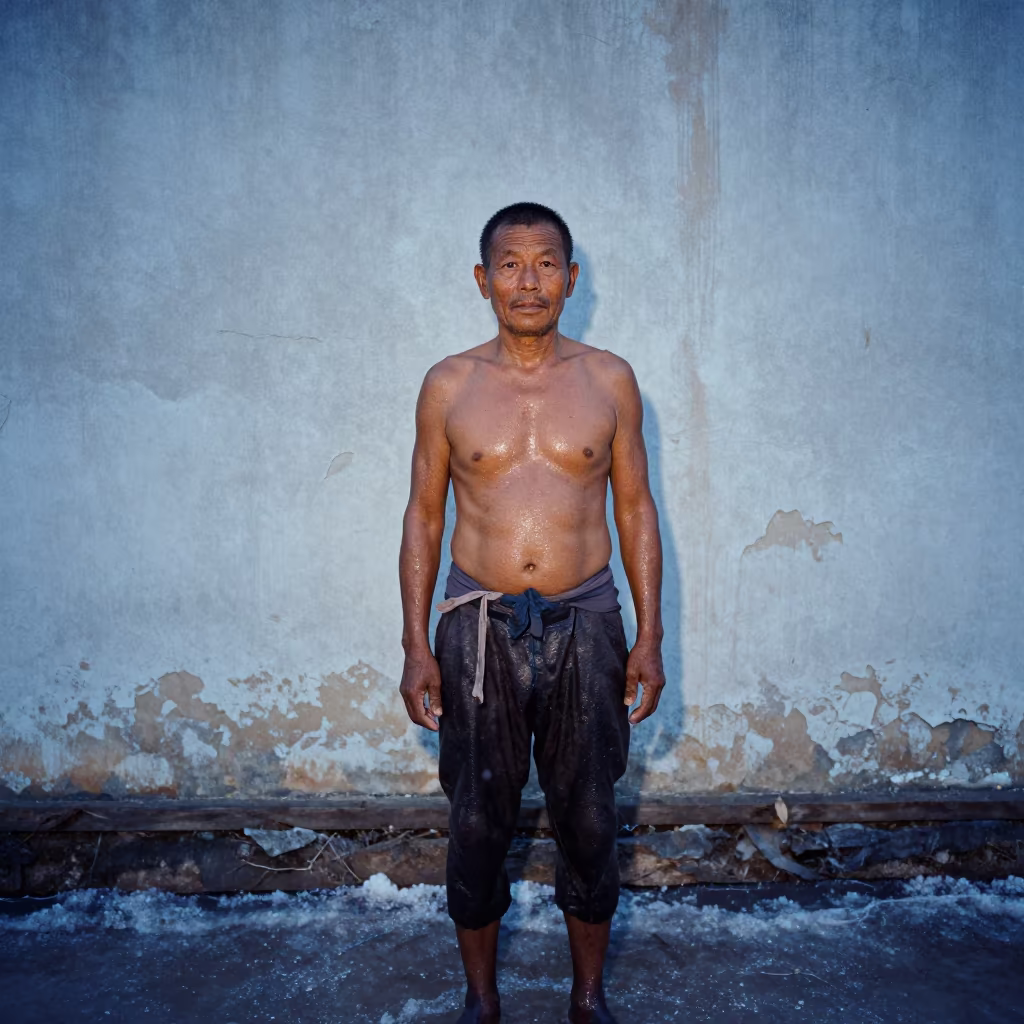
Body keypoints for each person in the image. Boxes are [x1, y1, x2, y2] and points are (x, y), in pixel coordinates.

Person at [398, 202, 665, 1024]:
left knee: (588, 816)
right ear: (483, 281)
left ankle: (588, 997)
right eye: (510, 264)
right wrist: (416, 645)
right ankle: (481, 1000)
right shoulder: (449, 384)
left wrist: (648, 638)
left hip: (586, 623)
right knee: (478, 818)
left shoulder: (608, 379)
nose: (528, 280)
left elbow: (636, 512)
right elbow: (424, 517)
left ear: (571, 278)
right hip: (476, 630)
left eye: (546, 263)